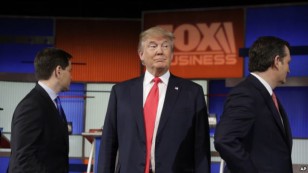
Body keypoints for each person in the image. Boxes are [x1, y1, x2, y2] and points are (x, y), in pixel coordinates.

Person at [97, 26, 211, 173]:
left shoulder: (192, 92)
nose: (160, 51)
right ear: (141, 55)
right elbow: (108, 143)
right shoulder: (121, 92)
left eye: (165, 46)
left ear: (172, 54)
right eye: (153, 46)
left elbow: (201, 147)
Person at [214, 36, 293, 173]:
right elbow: (225, 139)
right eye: (287, 63)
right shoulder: (246, 94)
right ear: (277, 61)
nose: (289, 69)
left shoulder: (265, 95)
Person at [8, 47, 73, 173]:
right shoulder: (32, 106)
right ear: (58, 71)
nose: (72, 77)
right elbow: (23, 159)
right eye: (70, 71)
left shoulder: (52, 103)